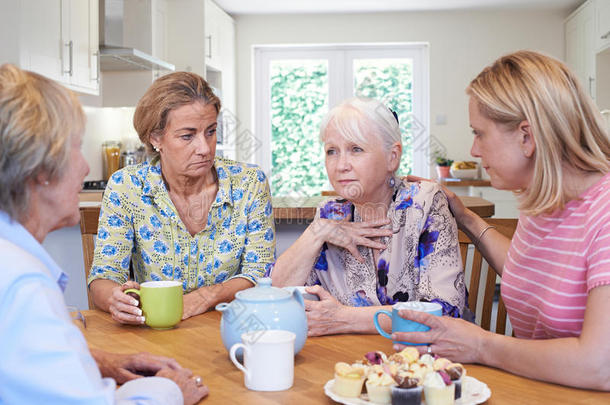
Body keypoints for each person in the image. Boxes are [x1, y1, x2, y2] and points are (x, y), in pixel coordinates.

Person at [395, 50, 610, 390]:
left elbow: (600, 365)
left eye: (479, 133)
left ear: (527, 137)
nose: (474, 150)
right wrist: (464, 218)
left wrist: (480, 345)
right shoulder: (543, 200)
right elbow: (533, 275)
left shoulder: (605, 212)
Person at [0, 64, 208, 404]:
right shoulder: (22, 287)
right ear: (39, 170)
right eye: (76, 147)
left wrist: (98, 360)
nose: (85, 166)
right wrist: (172, 391)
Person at [271, 97, 470, 336]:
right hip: (345, 361)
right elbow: (275, 297)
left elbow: (445, 313)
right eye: (331, 151)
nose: (341, 165)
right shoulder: (330, 213)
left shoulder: (424, 202)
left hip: (421, 361)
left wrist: (343, 318)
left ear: (392, 157)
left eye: (356, 149)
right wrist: (318, 231)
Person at [88, 72, 275, 324]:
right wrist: (114, 298)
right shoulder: (126, 186)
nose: (204, 148)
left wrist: (207, 296)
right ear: (156, 138)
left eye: (210, 131)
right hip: (157, 332)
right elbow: (105, 274)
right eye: (187, 136)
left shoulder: (249, 182)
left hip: (232, 328)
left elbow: (260, 274)